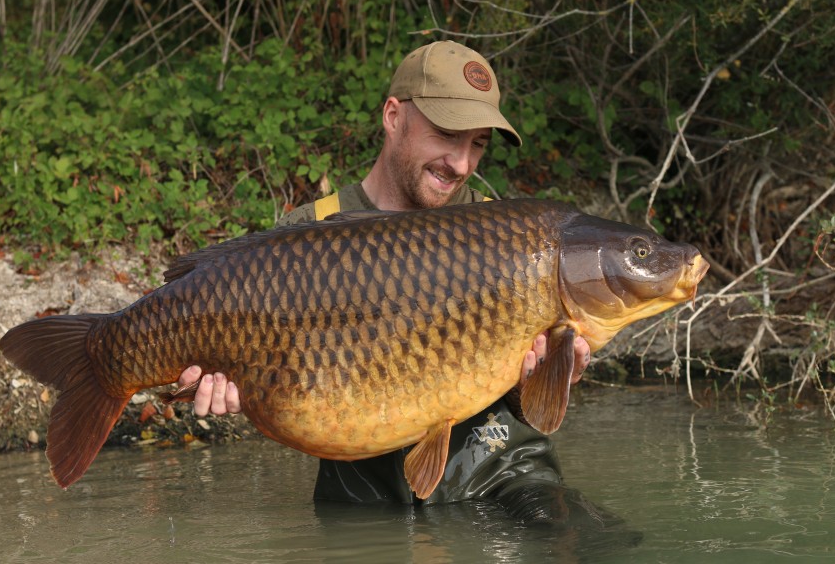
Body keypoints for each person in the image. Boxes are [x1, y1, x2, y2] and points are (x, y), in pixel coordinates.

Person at [177, 41, 596, 524]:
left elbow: (528, 403)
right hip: (363, 500)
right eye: (447, 134)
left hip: (504, 482)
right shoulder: (305, 235)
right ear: (393, 117)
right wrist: (230, 385)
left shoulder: (507, 239)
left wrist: (545, 380)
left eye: (478, 143)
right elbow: (290, 393)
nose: (461, 164)